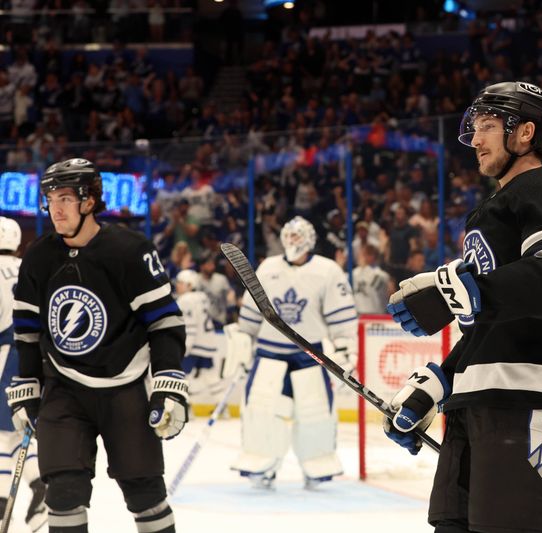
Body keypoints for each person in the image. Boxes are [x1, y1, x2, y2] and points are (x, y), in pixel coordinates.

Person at [384, 81, 542, 532]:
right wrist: (442, 381)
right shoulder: (488, 210)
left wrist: (464, 291)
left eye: (487, 126)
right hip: (482, 398)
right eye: (473, 128)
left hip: (532, 396)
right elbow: (495, 319)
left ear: (525, 132)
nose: (475, 139)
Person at [6, 158, 188, 533]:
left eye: (66, 198)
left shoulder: (129, 250)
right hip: (64, 389)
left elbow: (165, 322)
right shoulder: (38, 257)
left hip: (125, 389)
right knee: (62, 492)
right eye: (50, 198)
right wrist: (27, 386)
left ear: (89, 201)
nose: (55, 208)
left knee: (145, 493)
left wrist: (169, 383)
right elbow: (26, 331)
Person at [231, 216, 357, 490]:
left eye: (298, 237)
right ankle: (260, 462)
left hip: (308, 354)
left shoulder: (328, 270)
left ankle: (317, 464)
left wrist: (346, 348)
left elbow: (342, 317)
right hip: (269, 352)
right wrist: (242, 345)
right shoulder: (267, 267)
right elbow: (251, 314)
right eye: (289, 236)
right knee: (261, 411)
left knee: (315, 413)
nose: (293, 242)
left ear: (310, 240)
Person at [0, 217, 47, 532]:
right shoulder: (30, 266)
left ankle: (2, 503)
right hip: (37, 358)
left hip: (6, 358)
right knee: (17, 434)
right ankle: (40, 487)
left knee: (2, 436)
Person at [175, 269, 225, 404]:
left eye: (181, 283)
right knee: (210, 375)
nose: (177, 285)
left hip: (194, 345)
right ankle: (222, 404)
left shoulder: (185, 300)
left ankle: (184, 406)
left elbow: (190, 326)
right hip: (208, 342)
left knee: (181, 375)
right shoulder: (202, 296)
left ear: (190, 285)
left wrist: (185, 347)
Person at [352, 244, 394, 315]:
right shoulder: (354, 272)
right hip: (358, 314)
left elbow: (375, 283)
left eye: (367, 254)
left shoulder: (382, 275)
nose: (363, 257)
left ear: (373, 256)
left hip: (377, 315)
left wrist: (364, 268)